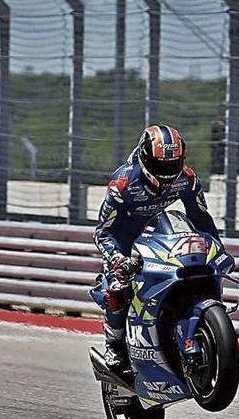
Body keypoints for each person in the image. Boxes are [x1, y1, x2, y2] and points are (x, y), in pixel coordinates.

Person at [94, 125, 221, 371]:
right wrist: (118, 259)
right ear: (144, 158)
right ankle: (114, 345)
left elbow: (202, 218)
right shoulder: (122, 184)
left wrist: (215, 249)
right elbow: (103, 232)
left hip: (159, 233)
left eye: (172, 165)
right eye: (161, 166)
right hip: (124, 239)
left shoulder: (187, 178)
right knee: (118, 286)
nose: (167, 172)